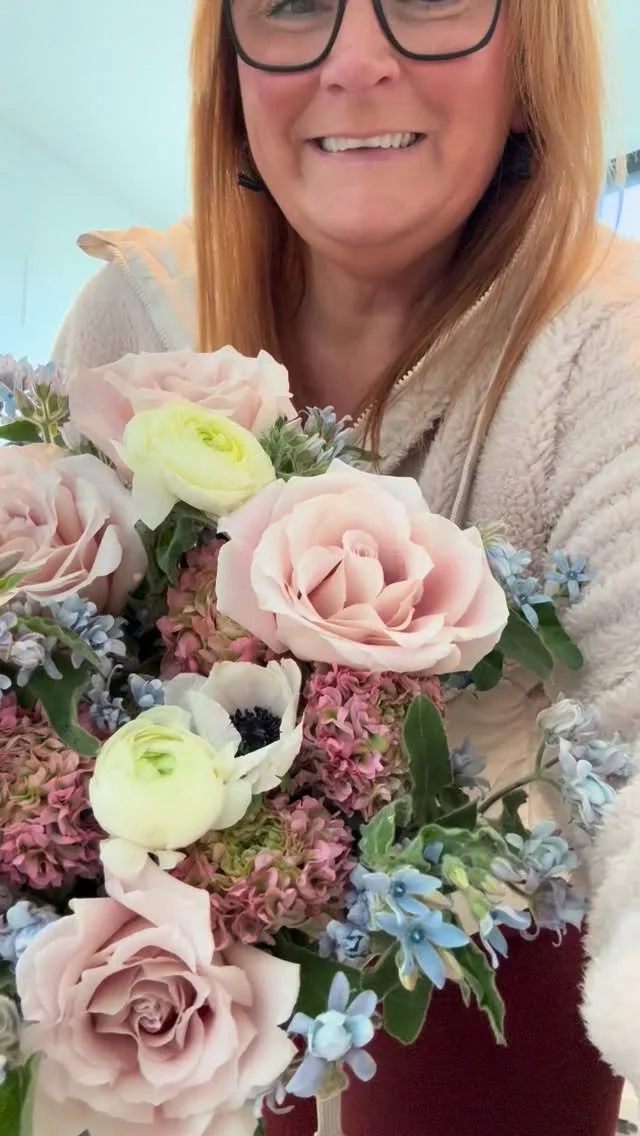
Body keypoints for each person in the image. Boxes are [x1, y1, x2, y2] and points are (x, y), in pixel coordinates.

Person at [53, 0, 640, 1132]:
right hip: (180, 996)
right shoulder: (137, 318)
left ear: (532, 54)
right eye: (291, 0)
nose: (357, 62)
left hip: (495, 994)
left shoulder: (610, 350)